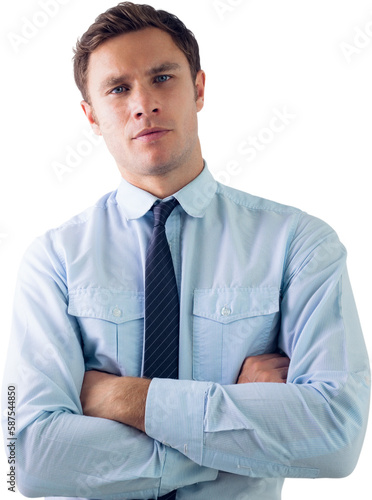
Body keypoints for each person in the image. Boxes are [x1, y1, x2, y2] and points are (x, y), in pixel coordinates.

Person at [2, 2, 370, 499]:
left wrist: (119, 396)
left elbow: (335, 436)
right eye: (118, 89)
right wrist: (233, 435)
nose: (142, 104)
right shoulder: (54, 261)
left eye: (162, 78)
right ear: (91, 116)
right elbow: (28, 458)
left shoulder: (299, 245)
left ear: (198, 88)